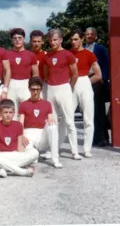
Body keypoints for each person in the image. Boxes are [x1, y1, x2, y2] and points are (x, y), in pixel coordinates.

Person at [43, 29, 81, 160]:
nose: (52, 42)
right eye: (50, 40)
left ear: (61, 40)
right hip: (51, 89)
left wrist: (68, 87)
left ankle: (74, 151)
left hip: (64, 87)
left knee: (69, 121)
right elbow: (46, 73)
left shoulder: (68, 55)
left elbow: (75, 74)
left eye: (55, 40)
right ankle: (53, 150)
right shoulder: (47, 55)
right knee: (52, 122)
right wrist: (51, 85)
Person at [0, 99, 39, 178]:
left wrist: (22, 156)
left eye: (10, 112)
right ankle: (22, 172)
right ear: (0, 113)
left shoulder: (18, 125)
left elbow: (20, 147)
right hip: (2, 155)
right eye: (5, 112)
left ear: (14, 113)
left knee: (35, 153)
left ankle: (1, 168)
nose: (8, 115)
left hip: (15, 154)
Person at [70, 29, 102, 157]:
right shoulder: (68, 54)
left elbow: (98, 75)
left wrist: (86, 81)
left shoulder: (89, 54)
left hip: (84, 82)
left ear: (82, 39)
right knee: (68, 117)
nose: (73, 42)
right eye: (72, 39)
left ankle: (87, 149)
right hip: (71, 83)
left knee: (88, 118)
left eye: (76, 39)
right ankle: (74, 149)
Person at [18, 77, 62, 168]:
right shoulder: (23, 104)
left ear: (41, 89)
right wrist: (22, 135)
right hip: (28, 134)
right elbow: (20, 122)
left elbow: (50, 118)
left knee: (53, 125)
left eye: (38, 89)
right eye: (33, 89)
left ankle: (55, 159)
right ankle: (34, 154)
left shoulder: (47, 104)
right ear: (29, 89)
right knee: (33, 160)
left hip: (42, 134)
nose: (35, 92)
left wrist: (51, 119)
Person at [85, 27, 110, 146]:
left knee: (99, 110)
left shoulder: (100, 48)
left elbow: (106, 64)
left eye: (91, 34)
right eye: (87, 34)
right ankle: (94, 138)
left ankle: (103, 139)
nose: (89, 36)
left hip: (97, 80)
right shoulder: (83, 49)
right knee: (90, 110)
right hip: (85, 79)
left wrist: (103, 79)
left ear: (95, 36)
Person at [7, 28, 38, 119]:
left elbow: (35, 74)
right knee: (11, 112)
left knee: (27, 112)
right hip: (11, 84)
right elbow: (4, 73)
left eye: (20, 38)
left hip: (26, 84)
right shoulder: (6, 54)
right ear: (12, 40)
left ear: (24, 39)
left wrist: (34, 88)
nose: (17, 40)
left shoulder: (31, 55)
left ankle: (26, 132)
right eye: (15, 38)